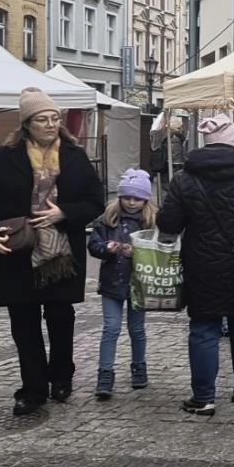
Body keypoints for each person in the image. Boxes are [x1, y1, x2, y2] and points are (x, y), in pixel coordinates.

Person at [0, 88, 105, 416]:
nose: (50, 124)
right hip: (17, 253)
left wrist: (63, 212)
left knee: (61, 318)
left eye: (55, 118)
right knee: (24, 324)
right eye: (42, 119)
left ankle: (61, 375)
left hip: (61, 255)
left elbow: (95, 201)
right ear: (27, 123)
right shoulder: (2, 158)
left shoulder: (74, 155)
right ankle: (33, 389)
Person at [157, 114, 234, 416]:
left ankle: (203, 398)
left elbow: (168, 224)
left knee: (204, 328)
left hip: (202, 266)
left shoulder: (185, 179)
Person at [87, 169, 154, 400]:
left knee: (136, 329)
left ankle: (139, 366)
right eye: (127, 197)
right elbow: (93, 245)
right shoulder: (108, 219)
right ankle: (105, 373)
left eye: (137, 198)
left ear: (145, 199)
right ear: (120, 197)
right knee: (111, 328)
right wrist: (106, 248)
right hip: (112, 283)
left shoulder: (151, 221)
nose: (132, 202)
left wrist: (140, 252)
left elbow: (160, 249)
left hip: (139, 284)